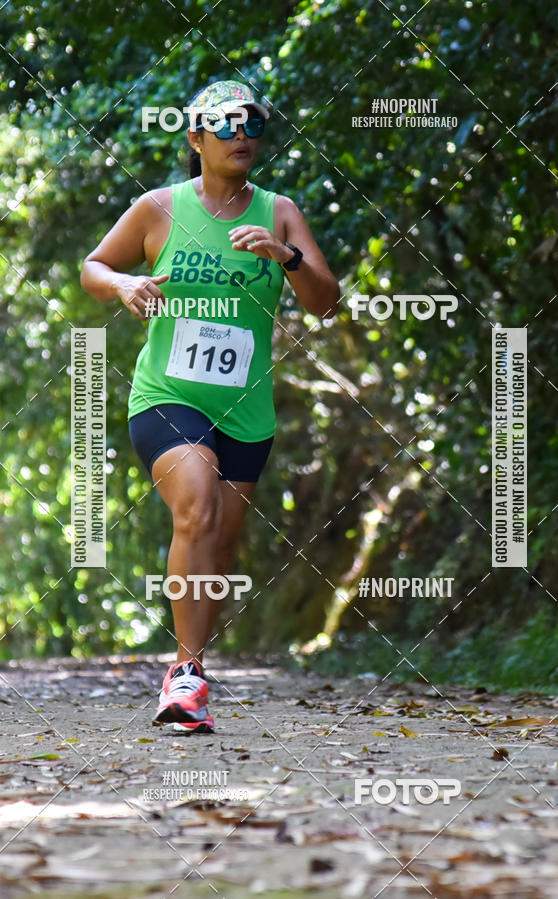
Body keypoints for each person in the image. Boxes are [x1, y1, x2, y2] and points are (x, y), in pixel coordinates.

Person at [80, 80, 340, 734]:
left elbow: (327, 301)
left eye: (251, 123)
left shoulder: (279, 212)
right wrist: (125, 283)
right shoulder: (158, 209)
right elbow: (94, 267)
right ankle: (186, 674)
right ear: (195, 139)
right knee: (194, 501)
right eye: (225, 125)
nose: (242, 134)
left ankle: (195, 665)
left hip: (246, 412)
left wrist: (286, 258)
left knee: (220, 543)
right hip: (167, 396)